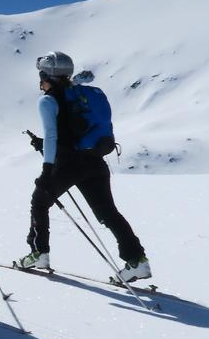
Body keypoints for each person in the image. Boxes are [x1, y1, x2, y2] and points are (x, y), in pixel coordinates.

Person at [20, 51, 152, 282]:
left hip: (70, 165)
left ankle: (39, 253)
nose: (39, 81)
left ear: (48, 76)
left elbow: (52, 136)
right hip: (95, 160)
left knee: (39, 201)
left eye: (41, 75)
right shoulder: (81, 95)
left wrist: (47, 169)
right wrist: (44, 145)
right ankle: (137, 261)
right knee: (108, 213)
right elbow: (70, 132)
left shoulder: (48, 100)